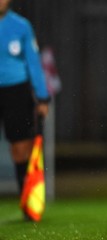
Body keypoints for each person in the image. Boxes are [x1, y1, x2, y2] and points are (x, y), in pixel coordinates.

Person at [0, 0, 50, 218]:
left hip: (16, 91)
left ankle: (27, 200)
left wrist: (42, 96)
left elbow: (33, 61)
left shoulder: (21, 26)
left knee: (20, 147)